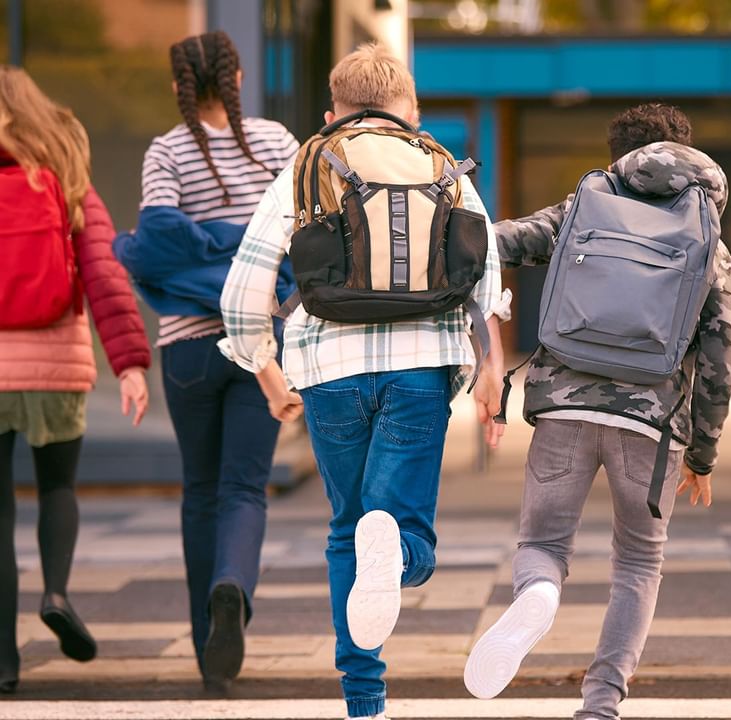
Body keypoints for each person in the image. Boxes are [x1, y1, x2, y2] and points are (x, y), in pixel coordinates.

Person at [219, 43, 506, 720]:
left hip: (329, 375)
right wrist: (490, 371)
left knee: (348, 527)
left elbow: (240, 296)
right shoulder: (443, 166)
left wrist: (266, 371)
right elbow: (486, 282)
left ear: (333, 109)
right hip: (420, 370)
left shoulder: (307, 164)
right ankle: (402, 555)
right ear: (410, 109)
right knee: (405, 531)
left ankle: (364, 699)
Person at [465, 103, 731, 720]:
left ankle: (538, 592)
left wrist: (443, 227)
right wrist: (701, 453)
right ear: (687, 151)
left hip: (564, 406)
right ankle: (601, 701)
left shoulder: (583, 206)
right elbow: (724, 355)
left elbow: (501, 241)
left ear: (618, 154)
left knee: (542, 541)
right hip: (651, 426)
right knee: (640, 560)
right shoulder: (708, 237)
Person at [114, 31, 299, 689]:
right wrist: (244, 256)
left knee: (200, 490)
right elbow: (298, 242)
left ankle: (206, 652)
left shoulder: (165, 152)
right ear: (239, 75)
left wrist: (208, 249)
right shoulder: (279, 144)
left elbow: (157, 246)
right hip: (261, 350)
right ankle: (233, 587)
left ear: (178, 88)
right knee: (245, 486)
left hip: (187, 345)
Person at [0, 66, 151, 693]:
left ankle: (3, 663)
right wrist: (131, 362)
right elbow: (104, 273)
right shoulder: (65, 173)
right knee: (57, 488)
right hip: (57, 364)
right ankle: (56, 590)